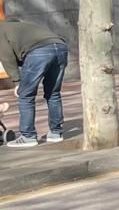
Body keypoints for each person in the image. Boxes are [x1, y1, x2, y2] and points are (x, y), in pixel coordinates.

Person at [0, 18, 70, 147]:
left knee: (25, 95)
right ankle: (56, 133)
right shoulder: (20, 27)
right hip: (60, 47)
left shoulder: (1, 30)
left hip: (38, 51)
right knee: (53, 93)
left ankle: (28, 137)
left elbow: (6, 57)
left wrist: (17, 81)